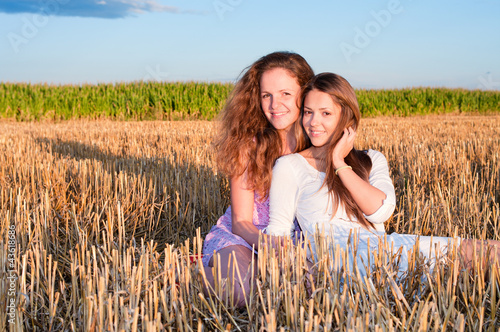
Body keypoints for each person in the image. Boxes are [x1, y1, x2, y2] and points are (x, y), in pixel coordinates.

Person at [265, 72, 500, 277]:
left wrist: (338, 163)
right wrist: (302, 269)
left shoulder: (371, 159)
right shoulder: (289, 166)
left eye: (326, 113)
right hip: (338, 265)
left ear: (346, 117)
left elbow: (380, 212)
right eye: (308, 112)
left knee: (490, 250)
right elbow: (278, 234)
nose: (313, 122)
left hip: (385, 249)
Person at [201, 51, 314, 306]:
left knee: (314, 292)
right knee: (242, 292)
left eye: (286, 93)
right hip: (245, 238)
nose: (275, 104)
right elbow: (241, 221)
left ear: (305, 93)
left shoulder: (318, 144)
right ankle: (189, 277)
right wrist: (270, 247)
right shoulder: (247, 146)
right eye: (267, 95)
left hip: (296, 245)